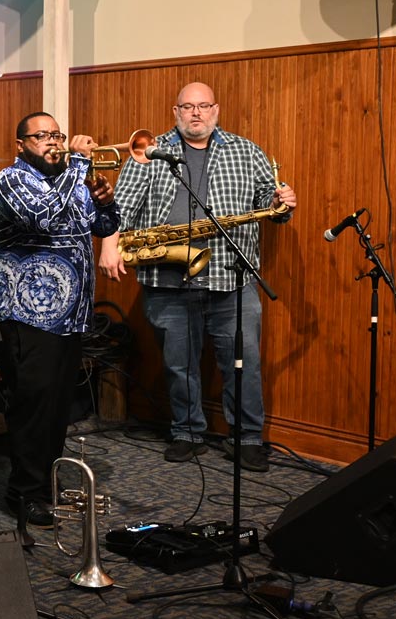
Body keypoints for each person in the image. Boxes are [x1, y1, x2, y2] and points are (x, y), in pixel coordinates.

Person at [98, 82, 297, 473]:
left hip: (232, 278)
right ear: (176, 112)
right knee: (178, 365)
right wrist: (108, 246)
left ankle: (248, 439)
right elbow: (118, 209)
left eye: (203, 106)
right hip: (167, 279)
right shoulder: (147, 153)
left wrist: (280, 203)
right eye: (187, 107)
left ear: (216, 110)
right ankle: (186, 432)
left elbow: (269, 205)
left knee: (244, 363)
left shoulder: (245, 150)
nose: (196, 113)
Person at [0, 114, 120, 526]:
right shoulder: (11, 180)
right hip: (28, 314)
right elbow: (41, 218)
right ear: (21, 144)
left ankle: (43, 484)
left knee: (58, 407)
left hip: (72, 315)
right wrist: (79, 164)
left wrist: (102, 200)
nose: (53, 143)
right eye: (42, 136)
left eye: (57, 135)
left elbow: (105, 226)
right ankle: (22, 493)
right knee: (33, 405)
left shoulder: (71, 179)